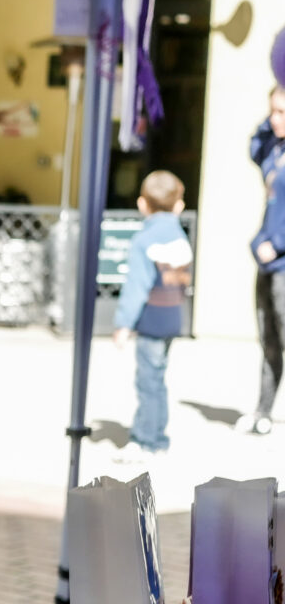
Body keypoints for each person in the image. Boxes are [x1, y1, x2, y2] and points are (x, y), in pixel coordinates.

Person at [111, 170, 193, 464]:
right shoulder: (179, 235)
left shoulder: (145, 239)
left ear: (142, 204)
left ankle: (144, 439)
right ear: (179, 205)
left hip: (150, 320)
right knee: (158, 379)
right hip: (172, 317)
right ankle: (158, 438)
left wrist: (123, 323)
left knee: (147, 380)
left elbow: (136, 286)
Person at [244, 85, 285, 436]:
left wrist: (280, 243)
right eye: (272, 111)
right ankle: (263, 411)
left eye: (282, 113)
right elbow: (253, 148)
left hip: (283, 261)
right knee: (268, 338)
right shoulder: (274, 148)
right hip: (266, 261)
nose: (275, 120)